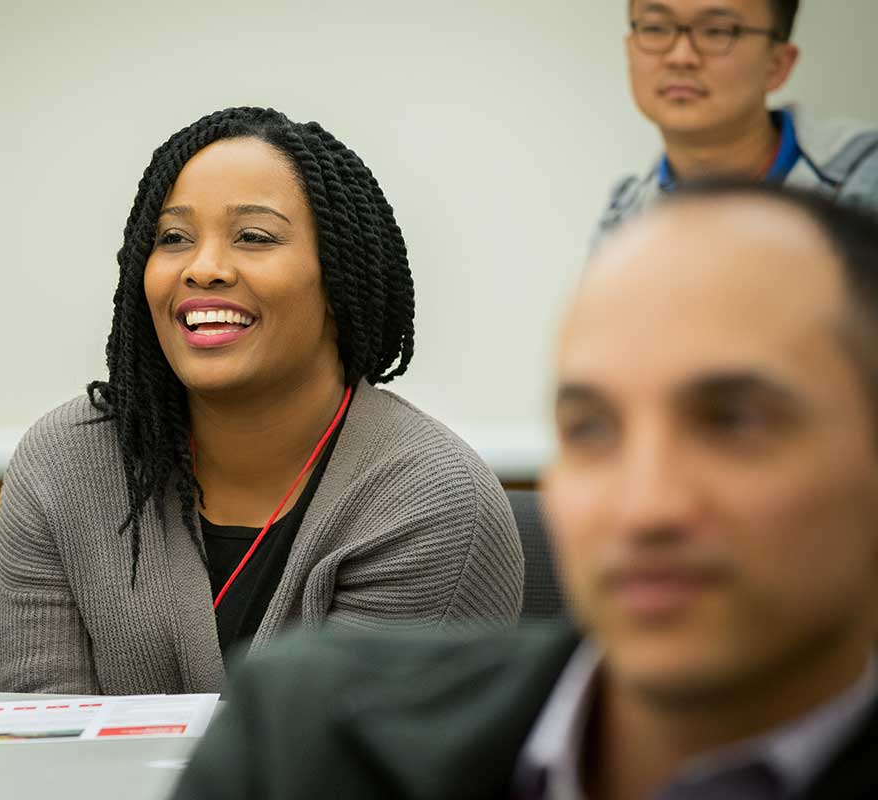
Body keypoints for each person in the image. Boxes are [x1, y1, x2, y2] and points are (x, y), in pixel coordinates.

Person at [171, 182, 878, 799]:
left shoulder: (413, 483)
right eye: (592, 430)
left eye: (734, 423)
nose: (645, 508)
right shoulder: (307, 737)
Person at [0, 107, 524, 695]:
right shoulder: (65, 463)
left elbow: (340, 770)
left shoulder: (429, 499)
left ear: (338, 275)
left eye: (254, 237)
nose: (204, 268)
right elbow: (42, 743)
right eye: (173, 239)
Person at [596, 0, 878, 238]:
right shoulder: (626, 217)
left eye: (717, 32)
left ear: (778, 64)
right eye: (655, 28)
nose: (680, 57)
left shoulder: (862, 175)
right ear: (629, 47)